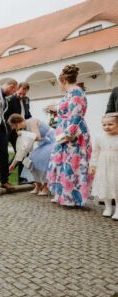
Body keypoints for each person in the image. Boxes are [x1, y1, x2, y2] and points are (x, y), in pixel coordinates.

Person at [47, 64, 92, 207]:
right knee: (62, 163)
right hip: (63, 132)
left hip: (73, 134)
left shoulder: (76, 92)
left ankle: (73, 198)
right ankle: (62, 194)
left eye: (59, 83)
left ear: (64, 81)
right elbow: (67, 111)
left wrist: (68, 134)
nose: (59, 86)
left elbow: (76, 115)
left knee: (73, 165)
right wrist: (55, 109)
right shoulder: (69, 93)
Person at [8, 114, 55, 196]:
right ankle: (38, 184)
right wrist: (13, 164)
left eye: (12, 125)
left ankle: (46, 186)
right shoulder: (26, 129)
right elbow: (23, 149)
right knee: (29, 161)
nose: (12, 128)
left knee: (41, 159)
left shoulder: (31, 121)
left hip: (52, 141)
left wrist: (23, 132)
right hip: (43, 144)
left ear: (16, 123)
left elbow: (37, 137)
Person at [89, 113, 118, 219]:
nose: (107, 127)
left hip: (116, 166)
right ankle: (108, 207)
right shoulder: (99, 137)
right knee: (105, 185)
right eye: (104, 125)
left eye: (110, 124)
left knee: (116, 186)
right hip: (104, 166)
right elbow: (95, 152)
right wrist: (92, 165)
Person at [4, 82, 32, 184]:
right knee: (23, 152)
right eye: (20, 93)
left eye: (24, 94)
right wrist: (13, 127)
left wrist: (31, 123)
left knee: (22, 152)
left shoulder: (27, 100)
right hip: (13, 130)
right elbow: (6, 116)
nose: (22, 96)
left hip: (23, 129)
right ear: (17, 89)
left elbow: (27, 114)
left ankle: (4, 174)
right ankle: (21, 179)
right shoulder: (10, 100)